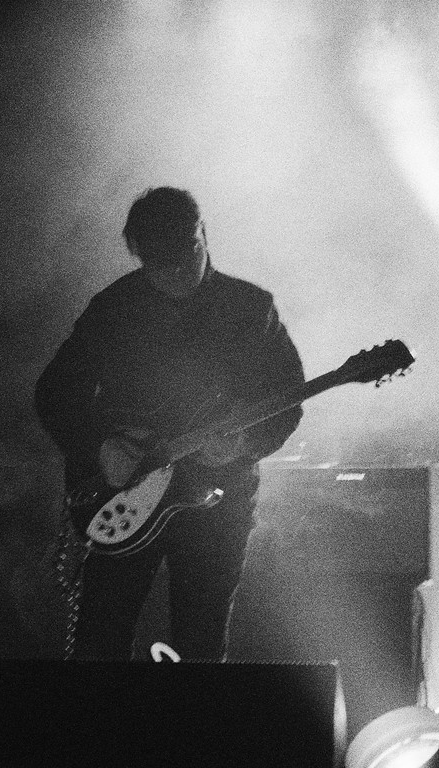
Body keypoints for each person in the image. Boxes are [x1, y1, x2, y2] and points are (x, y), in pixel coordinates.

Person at [34, 186, 305, 662]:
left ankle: (194, 735)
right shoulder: (113, 307)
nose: (178, 275)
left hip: (215, 500)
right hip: (123, 493)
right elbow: (55, 393)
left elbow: (286, 402)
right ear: (138, 255)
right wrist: (100, 447)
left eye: (187, 256)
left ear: (203, 233)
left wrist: (243, 445)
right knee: (101, 636)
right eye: (161, 266)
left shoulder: (251, 309)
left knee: (200, 643)